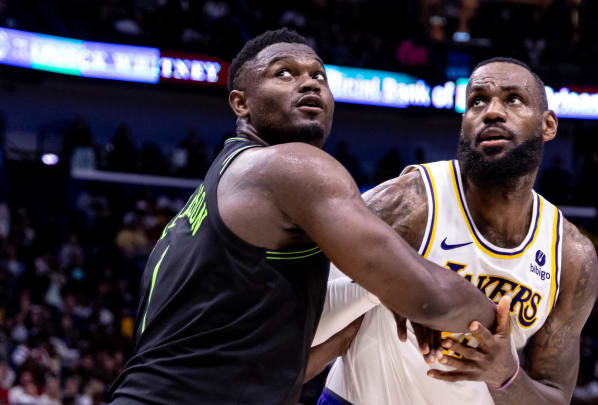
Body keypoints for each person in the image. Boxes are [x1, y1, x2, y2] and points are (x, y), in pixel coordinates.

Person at [108, 29, 499, 405]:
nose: (310, 83)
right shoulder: (293, 167)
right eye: (284, 73)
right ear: (240, 103)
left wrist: (363, 315)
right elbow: (429, 298)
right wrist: (493, 319)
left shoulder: (207, 199)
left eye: (319, 76)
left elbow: (254, 366)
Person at [312, 58, 598, 405]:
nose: (492, 112)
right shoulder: (409, 203)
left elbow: (553, 397)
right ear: (464, 124)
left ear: (548, 125)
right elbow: (300, 313)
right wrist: (379, 289)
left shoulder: (570, 257)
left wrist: (505, 376)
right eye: (477, 100)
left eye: (513, 99)